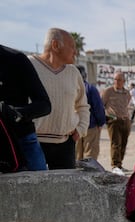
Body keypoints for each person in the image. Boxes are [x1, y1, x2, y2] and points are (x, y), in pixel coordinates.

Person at [29, 28, 90, 170]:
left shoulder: (73, 72)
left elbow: (83, 106)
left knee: (65, 189)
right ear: (55, 45)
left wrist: (80, 130)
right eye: (72, 47)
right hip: (32, 145)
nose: (76, 52)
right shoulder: (28, 65)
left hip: (65, 145)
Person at [0, 44, 51, 171]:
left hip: (22, 141)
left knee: (41, 187)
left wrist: (16, 113)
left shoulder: (16, 59)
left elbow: (44, 104)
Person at [102, 72, 132, 175]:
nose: (116, 82)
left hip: (125, 120)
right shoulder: (108, 92)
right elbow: (102, 105)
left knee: (124, 143)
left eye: (119, 80)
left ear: (123, 81)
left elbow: (126, 104)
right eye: (115, 79)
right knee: (116, 143)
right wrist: (108, 116)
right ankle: (115, 165)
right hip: (113, 121)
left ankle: (120, 164)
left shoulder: (127, 93)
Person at [75, 65, 106, 161]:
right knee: (90, 156)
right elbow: (98, 108)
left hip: (74, 127)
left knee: (76, 156)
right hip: (90, 126)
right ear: (85, 75)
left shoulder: (70, 89)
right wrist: (100, 123)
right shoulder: (91, 89)